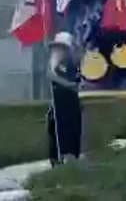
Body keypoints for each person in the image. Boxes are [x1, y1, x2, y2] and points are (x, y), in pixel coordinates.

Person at [47, 31, 82, 167]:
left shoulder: (71, 64)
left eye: (62, 47)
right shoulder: (53, 64)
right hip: (57, 104)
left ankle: (70, 158)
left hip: (70, 103)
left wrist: (70, 84)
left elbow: (75, 83)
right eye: (57, 47)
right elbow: (51, 76)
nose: (58, 50)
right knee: (55, 132)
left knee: (71, 131)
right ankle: (56, 159)